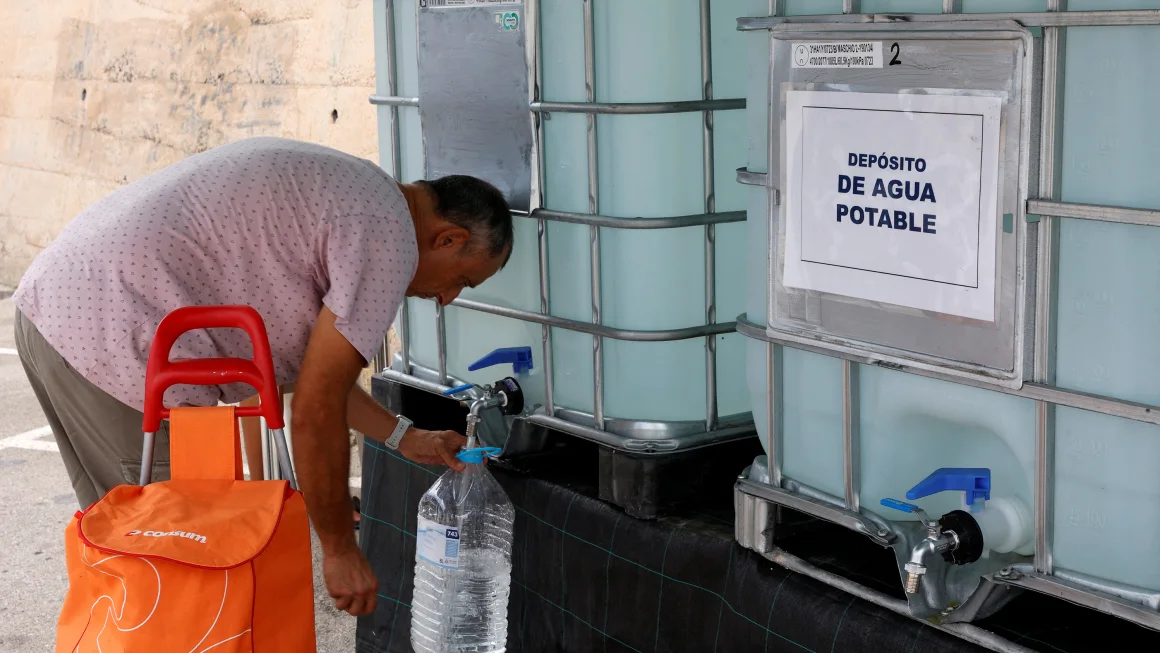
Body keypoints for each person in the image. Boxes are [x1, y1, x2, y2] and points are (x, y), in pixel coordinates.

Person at [11, 136, 513, 617]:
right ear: (448, 238)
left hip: (58, 308)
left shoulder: (360, 193)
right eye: (463, 280)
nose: (447, 298)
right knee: (172, 565)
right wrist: (338, 548)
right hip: (116, 337)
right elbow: (315, 409)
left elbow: (320, 380)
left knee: (124, 554)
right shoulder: (389, 239)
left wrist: (405, 437)